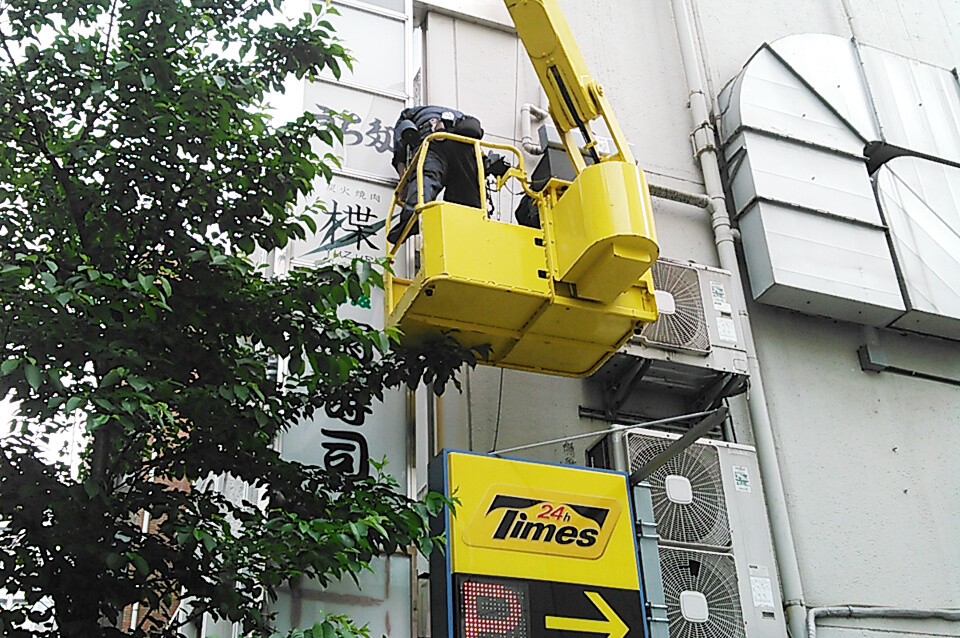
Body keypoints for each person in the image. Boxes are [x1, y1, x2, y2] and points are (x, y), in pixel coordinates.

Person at [388, 105, 484, 245]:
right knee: (466, 191)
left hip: (433, 138)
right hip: (463, 143)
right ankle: (471, 223)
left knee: (426, 176)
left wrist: (403, 180)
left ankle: (413, 216)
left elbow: (401, 146)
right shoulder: (461, 117)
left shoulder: (409, 114)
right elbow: (479, 160)